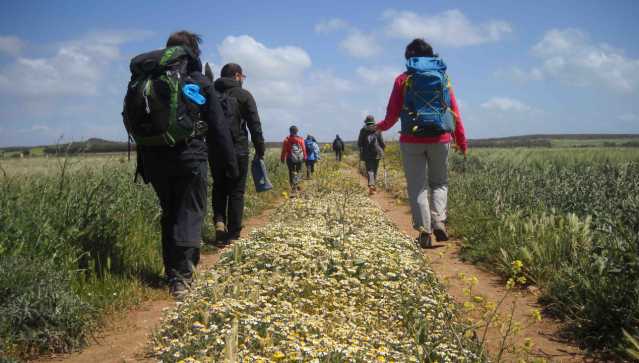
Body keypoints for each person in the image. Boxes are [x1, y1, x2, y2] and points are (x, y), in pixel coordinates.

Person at [131, 31, 238, 297]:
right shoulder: (199, 81)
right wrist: (229, 165)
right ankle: (182, 278)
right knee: (189, 213)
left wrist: (144, 164)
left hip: (155, 159)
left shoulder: (149, 79)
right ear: (193, 52)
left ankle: (171, 271)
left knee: (170, 212)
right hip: (189, 156)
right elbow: (218, 127)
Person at [375, 38, 467, 248]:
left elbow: (392, 114)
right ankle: (438, 221)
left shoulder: (402, 79)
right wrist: (461, 141)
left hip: (411, 139)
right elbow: (455, 113)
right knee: (440, 183)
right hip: (440, 138)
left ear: (410, 58)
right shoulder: (443, 78)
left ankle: (424, 232)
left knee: (417, 187)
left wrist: (380, 127)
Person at [212, 63, 266, 243]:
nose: (243, 80)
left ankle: (219, 222)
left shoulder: (210, 92)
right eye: (242, 76)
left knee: (219, 187)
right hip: (238, 150)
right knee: (236, 191)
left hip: (216, 150)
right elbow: (255, 125)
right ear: (237, 75)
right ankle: (233, 233)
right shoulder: (244, 95)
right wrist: (260, 150)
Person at [358, 115, 385, 195]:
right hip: (376, 153)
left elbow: (360, 143)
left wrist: (361, 151)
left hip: (367, 154)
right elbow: (381, 142)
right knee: (375, 170)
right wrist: (383, 150)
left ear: (366, 122)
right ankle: (373, 185)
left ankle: (371, 186)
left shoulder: (363, 130)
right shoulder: (378, 129)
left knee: (370, 170)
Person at [280, 126, 307, 193]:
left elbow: (284, 150)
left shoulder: (286, 140)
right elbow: (303, 149)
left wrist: (282, 158)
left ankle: (293, 187)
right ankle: (297, 185)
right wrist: (305, 157)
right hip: (299, 158)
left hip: (289, 158)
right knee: (298, 171)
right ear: (297, 131)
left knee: (291, 172)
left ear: (290, 131)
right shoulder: (301, 139)